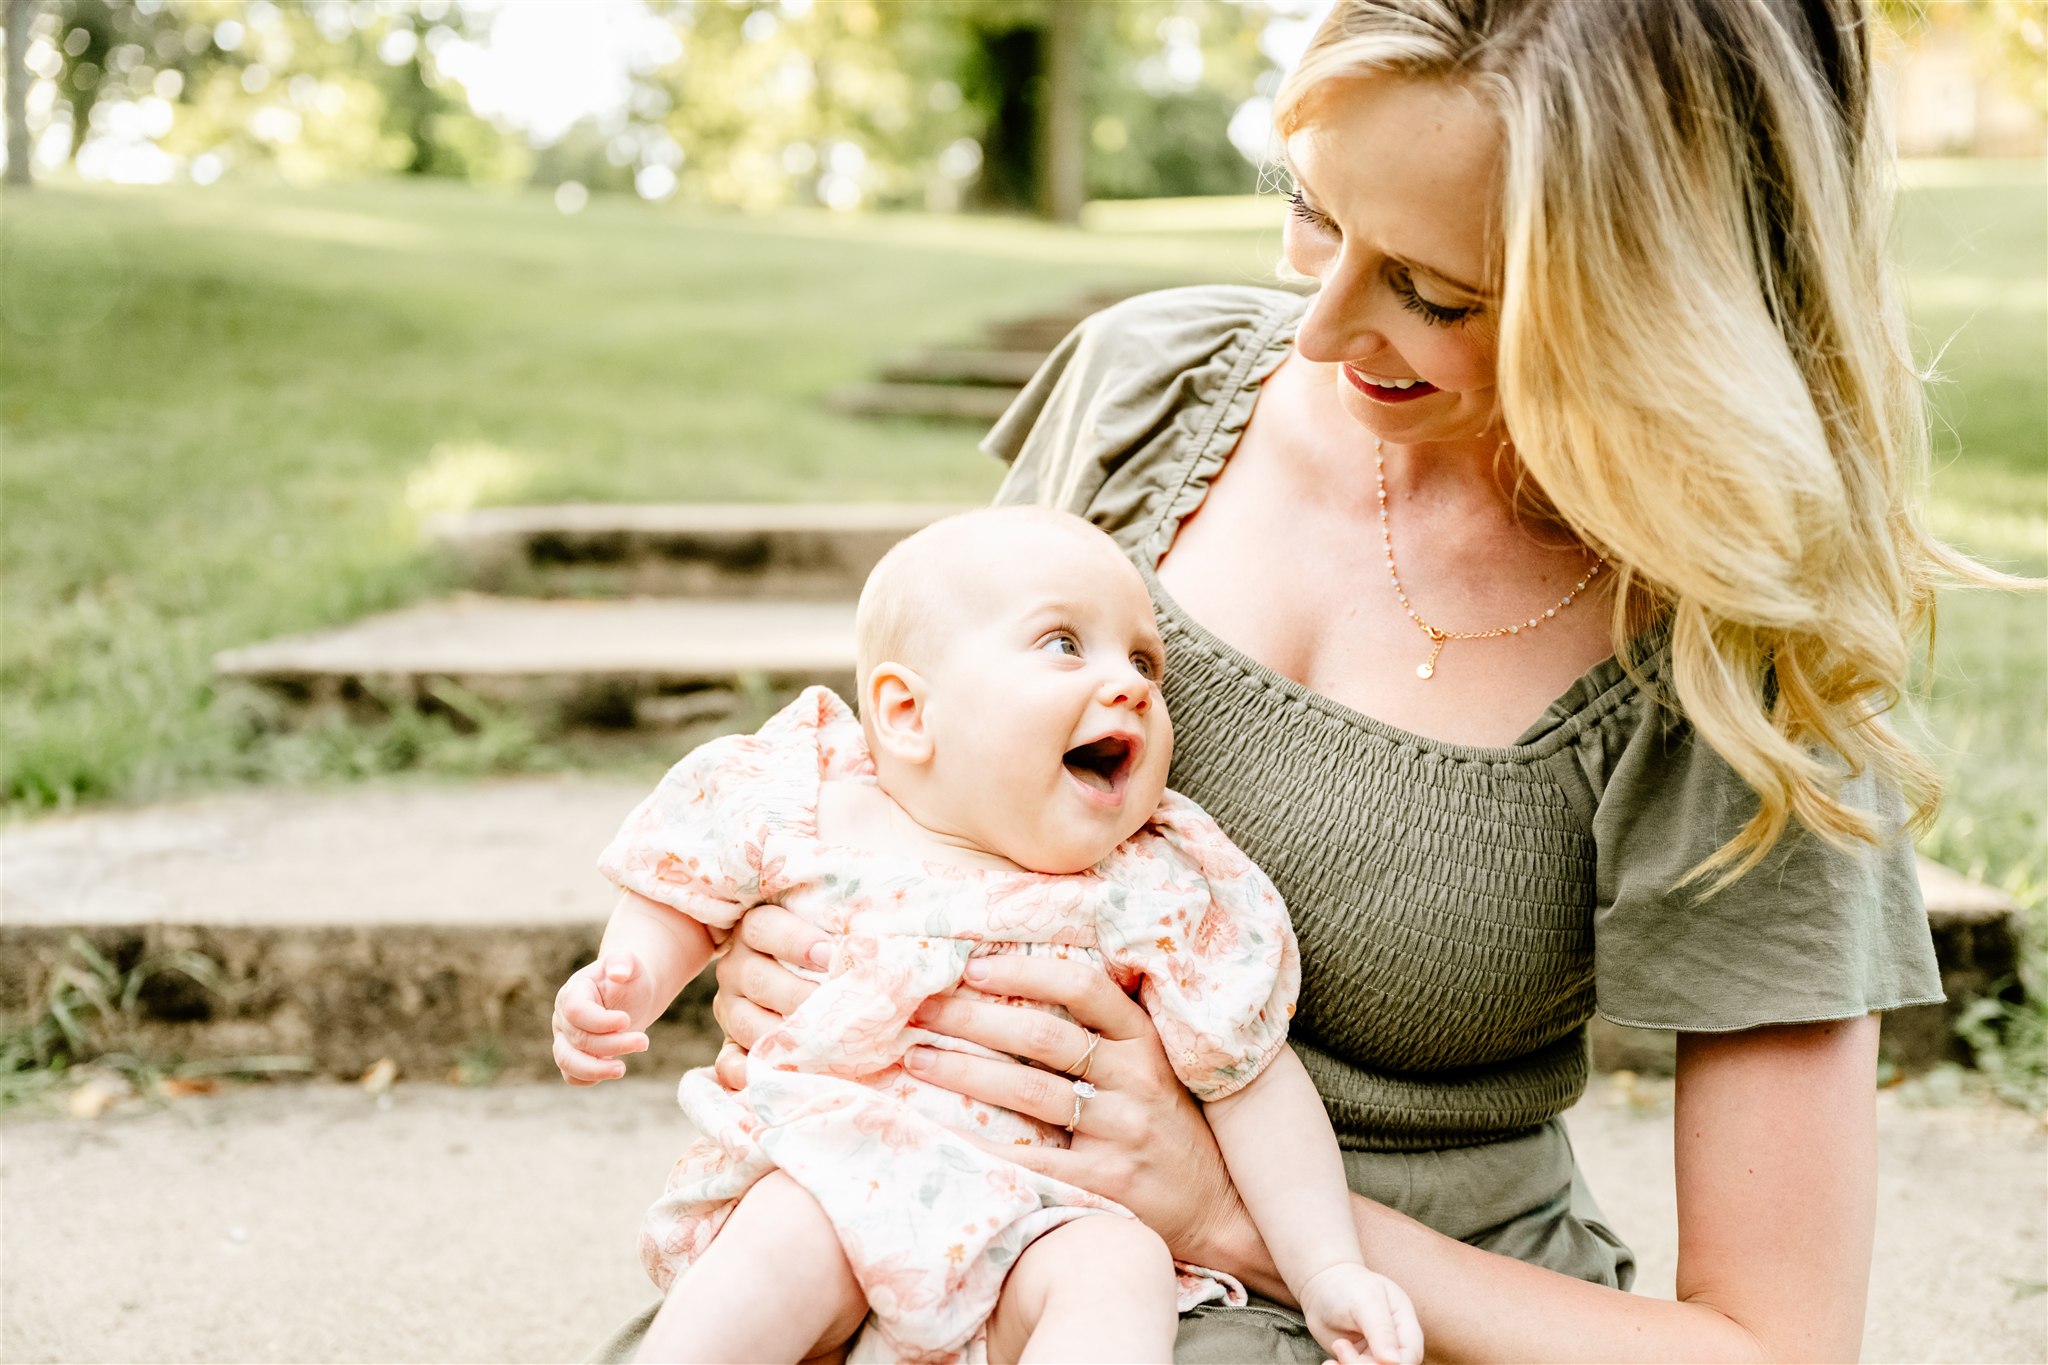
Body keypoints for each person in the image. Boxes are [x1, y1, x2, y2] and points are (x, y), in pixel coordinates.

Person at [596, 0, 2013, 1359]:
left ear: (1659, 300)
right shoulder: (1148, 387)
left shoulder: (1737, 660)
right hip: (925, 1240)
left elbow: (1772, 1346)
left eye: (1437, 293)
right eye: (1314, 209)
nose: (1321, 328)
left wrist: (1229, 1209)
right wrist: (782, 945)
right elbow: (923, 764)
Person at [557, 507, 1424, 1364]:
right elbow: (680, 885)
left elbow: (1252, 1080)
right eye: (1062, 644)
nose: (1130, 683)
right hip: (831, 1168)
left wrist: (1327, 1268)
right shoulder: (807, 801)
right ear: (906, 713)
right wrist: (624, 981)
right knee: (784, 1235)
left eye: (1144, 659)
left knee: (1122, 1269)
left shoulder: (1152, 882)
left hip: (1038, 1213)